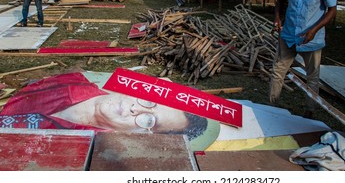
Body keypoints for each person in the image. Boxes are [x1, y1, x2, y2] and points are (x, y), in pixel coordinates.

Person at [0, 72, 207, 141]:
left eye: (149, 120)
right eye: (150, 101)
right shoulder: (70, 81)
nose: (136, 109)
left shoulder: (81, 153)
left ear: (142, 135)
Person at [270, 0, 337, 118]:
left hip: (311, 38)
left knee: (312, 76)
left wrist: (314, 29)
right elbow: (280, 0)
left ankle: (310, 110)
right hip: (289, 35)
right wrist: (277, 18)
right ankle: (272, 107)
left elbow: (332, 10)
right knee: (278, 71)